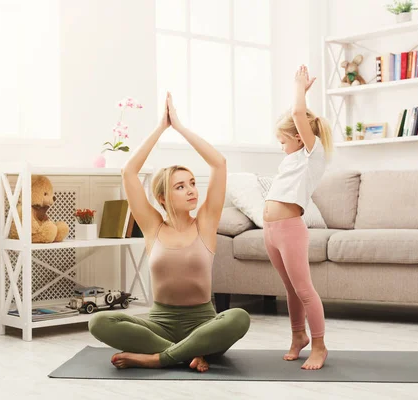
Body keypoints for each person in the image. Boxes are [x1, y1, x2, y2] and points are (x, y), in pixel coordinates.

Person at [88, 92, 250, 373]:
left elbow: (219, 164)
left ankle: (158, 358)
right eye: (180, 186)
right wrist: (161, 128)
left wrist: (180, 128)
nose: (190, 190)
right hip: (158, 324)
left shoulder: (205, 223)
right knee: (98, 322)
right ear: (162, 197)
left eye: (191, 184)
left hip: (203, 324)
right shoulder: (153, 226)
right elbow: (129, 172)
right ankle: (186, 354)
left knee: (238, 317)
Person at [263, 65, 333, 370]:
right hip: (271, 230)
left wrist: (300, 90)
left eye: (282, 141)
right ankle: (297, 337)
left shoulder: (312, 154)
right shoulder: (292, 159)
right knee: (290, 289)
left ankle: (319, 345)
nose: (281, 147)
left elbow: (297, 112)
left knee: (304, 289)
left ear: (298, 136)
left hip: (290, 230)